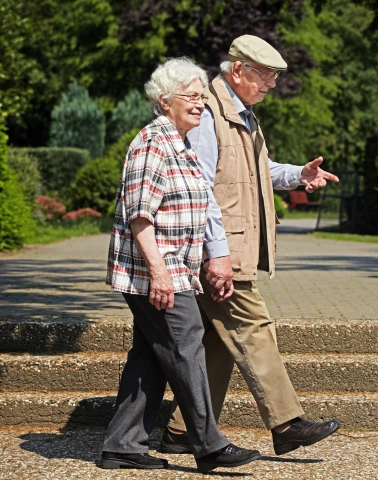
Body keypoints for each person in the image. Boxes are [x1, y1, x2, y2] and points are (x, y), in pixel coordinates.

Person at [160, 36, 341, 457]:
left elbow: (258, 169)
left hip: (227, 248)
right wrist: (216, 254)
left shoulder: (241, 114)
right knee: (253, 326)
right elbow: (199, 188)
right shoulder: (208, 114)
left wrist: (298, 174)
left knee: (221, 342)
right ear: (238, 70)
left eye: (275, 76)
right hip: (219, 252)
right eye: (266, 75)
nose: (272, 84)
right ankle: (287, 422)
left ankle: (182, 430)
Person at [101, 57, 261, 473]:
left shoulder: (183, 144)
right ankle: (208, 444)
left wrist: (211, 256)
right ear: (164, 100)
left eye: (203, 96)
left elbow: (196, 206)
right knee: (186, 344)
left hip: (176, 269)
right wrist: (159, 272)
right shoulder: (153, 142)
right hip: (156, 272)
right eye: (191, 96)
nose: (200, 103)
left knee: (152, 356)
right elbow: (140, 215)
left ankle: (123, 444)